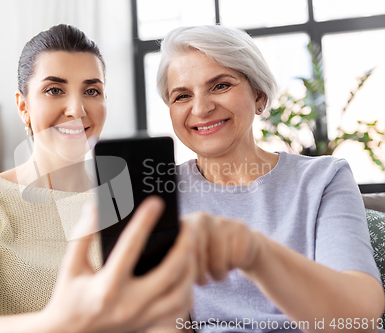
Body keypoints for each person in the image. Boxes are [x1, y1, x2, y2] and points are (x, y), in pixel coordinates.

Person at [0, 24, 197, 333]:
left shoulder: (129, 199)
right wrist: (58, 323)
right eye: (54, 90)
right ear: (23, 106)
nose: (76, 109)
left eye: (92, 91)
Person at [155, 25, 384, 332]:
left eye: (220, 86)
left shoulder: (324, 179)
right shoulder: (159, 194)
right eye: (182, 95)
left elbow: (359, 319)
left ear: (258, 96)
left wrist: (255, 253)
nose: (201, 107)